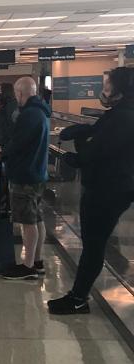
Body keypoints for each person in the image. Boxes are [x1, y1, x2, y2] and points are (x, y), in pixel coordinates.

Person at [49, 68, 134, 314]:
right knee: (93, 243)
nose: (104, 91)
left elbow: (96, 152)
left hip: (108, 189)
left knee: (94, 244)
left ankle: (78, 298)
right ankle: (78, 295)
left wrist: (77, 154)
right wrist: (86, 132)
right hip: (108, 186)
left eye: (108, 86)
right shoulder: (119, 114)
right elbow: (100, 137)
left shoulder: (124, 117)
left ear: (119, 90)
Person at [0, 77, 50, 281]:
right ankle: (37, 260)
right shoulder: (42, 112)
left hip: (25, 174)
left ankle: (28, 266)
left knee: (27, 222)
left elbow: (17, 143)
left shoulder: (29, 115)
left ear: (21, 93)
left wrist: (2, 153)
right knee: (37, 218)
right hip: (37, 173)